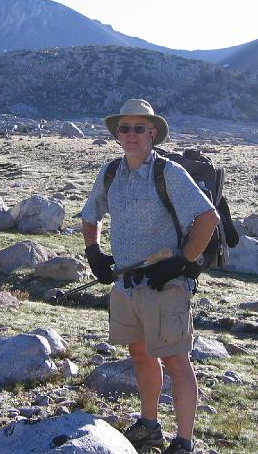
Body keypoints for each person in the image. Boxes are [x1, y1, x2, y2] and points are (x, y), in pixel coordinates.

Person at [80, 99, 220, 454]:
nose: (130, 135)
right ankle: (149, 426)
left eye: (138, 129)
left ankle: (184, 442)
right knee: (140, 354)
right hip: (127, 285)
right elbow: (89, 214)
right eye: (124, 129)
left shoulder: (169, 173)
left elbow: (207, 218)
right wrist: (93, 253)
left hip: (166, 285)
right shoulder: (111, 173)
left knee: (176, 360)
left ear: (152, 133)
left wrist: (181, 263)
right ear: (116, 134)